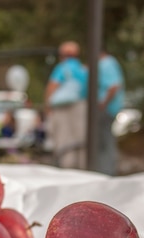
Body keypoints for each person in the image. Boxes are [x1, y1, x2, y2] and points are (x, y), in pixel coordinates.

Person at [45, 41, 88, 169]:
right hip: (81, 108)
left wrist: (47, 107)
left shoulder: (62, 68)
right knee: (81, 141)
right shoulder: (83, 70)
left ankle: (68, 169)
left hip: (63, 110)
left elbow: (52, 87)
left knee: (66, 142)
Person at [97, 50, 125, 175]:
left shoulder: (106, 64)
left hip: (106, 109)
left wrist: (103, 103)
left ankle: (106, 172)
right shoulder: (110, 63)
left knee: (104, 141)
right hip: (108, 108)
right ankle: (106, 171)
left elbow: (113, 86)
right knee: (104, 141)